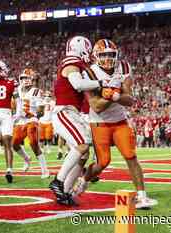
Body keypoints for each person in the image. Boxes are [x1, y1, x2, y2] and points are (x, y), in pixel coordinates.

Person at [74, 39, 158, 209]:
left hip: (120, 121)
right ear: (96, 56)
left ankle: (142, 196)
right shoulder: (90, 73)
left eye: (111, 54)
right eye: (103, 55)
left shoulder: (124, 67)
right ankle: (83, 180)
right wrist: (109, 94)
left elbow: (130, 100)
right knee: (102, 162)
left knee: (131, 156)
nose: (107, 58)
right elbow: (96, 107)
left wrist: (115, 94)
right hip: (99, 123)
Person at [49, 36, 105, 205]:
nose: (90, 54)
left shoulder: (77, 64)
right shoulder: (72, 61)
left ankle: (64, 192)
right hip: (64, 111)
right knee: (82, 145)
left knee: (84, 154)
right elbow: (78, 85)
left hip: (72, 113)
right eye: (88, 50)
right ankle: (58, 181)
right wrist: (102, 82)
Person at [12, 68, 49, 177]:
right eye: (23, 78)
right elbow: (16, 105)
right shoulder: (17, 90)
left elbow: (41, 110)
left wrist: (35, 115)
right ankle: (27, 159)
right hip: (20, 120)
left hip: (31, 119)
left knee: (33, 142)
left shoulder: (36, 91)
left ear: (32, 79)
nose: (25, 80)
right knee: (14, 144)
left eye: (28, 78)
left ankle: (45, 170)